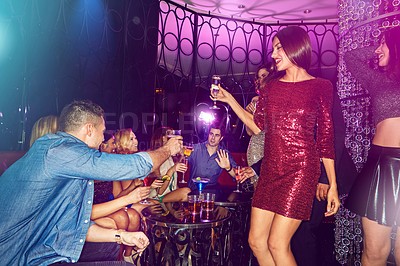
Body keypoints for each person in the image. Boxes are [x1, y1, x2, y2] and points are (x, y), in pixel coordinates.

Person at [212, 26, 340, 266]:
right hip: (271, 168)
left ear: (296, 47)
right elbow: (258, 125)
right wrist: (229, 99)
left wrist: (332, 185)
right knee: (257, 242)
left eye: (279, 48)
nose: (273, 54)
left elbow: (325, 139)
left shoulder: (321, 87)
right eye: (273, 49)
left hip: (300, 170)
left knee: (277, 244)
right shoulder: (270, 86)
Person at [0, 100, 182, 265]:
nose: (103, 138)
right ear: (89, 129)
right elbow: (136, 165)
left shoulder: (65, 160)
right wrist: (167, 149)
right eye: (102, 131)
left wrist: (121, 236)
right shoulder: (60, 153)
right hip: (19, 255)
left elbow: (74, 223)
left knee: (110, 246)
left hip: (40, 245)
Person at [344, 26, 400, 265]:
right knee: (374, 253)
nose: (377, 50)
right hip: (381, 167)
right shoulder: (378, 81)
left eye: (383, 43)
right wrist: (381, 47)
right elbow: (351, 57)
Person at [92, 132, 149, 263]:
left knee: (134, 215)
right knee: (124, 216)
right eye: (113, 143)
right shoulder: (92, 166)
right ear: (102, 146)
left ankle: (127, 257)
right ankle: (118, 259)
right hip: (95, 210)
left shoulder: (112, 166)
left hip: (111, 206)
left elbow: (118, 194)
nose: (115, 146)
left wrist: (133, 187)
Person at [148, 127, 191, 218]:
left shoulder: (169, 157)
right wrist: (172, 170)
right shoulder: (158, 158)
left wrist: (182, 157)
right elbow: (160, 190)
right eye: (172, 136)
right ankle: (157, 202)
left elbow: (173, 183)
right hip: (157, 196)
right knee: (186, 192)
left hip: (166, 198)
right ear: (164, 138)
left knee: (189, 196)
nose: (175, 139)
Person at [187, 123, 237, 193]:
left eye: (217, 135)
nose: (213, 138)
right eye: (211, 134)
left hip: (211, 192)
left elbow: (237, 176)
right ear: (208, 135)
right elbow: (180, 158)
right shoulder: (195, 148)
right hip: (192, 190)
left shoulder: (224, 154)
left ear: (221, 138)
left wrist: (228, 168)